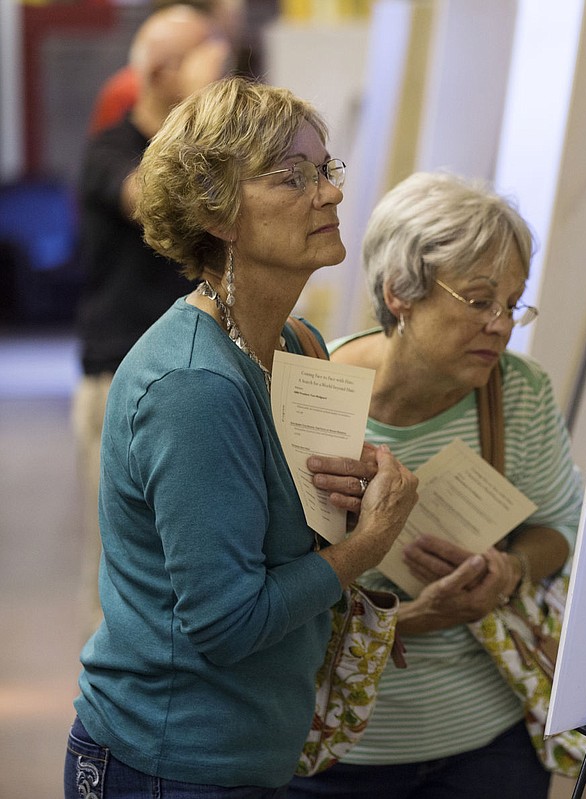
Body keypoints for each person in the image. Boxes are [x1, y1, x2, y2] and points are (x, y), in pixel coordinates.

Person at [65, 76, 422, 796]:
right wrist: (369, 542)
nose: (329, 194)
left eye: (326, 169)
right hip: (166, 760)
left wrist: (346, 505)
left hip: (249, 752)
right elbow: (228, 622)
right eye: (293, 177)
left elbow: (285, 541)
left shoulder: (296, 343)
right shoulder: (195, 385)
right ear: (218, 213)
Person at [288, 172, 583, 799]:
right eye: (479, 301)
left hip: (489, 746)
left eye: (513, 303)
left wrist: (509, 570)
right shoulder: (313, 395)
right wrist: (403, 620)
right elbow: (260, 586)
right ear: (401, 293)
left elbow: (561, 527)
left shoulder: (519, 392)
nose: (502, 326)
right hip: (334, 754)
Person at [71, 2, 231, 631]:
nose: (218, 58)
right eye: (203, 49)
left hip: (199, 378)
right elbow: (152, 199)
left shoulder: (208, 161)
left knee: (194, 553)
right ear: (162, 70)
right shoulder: (109, 151)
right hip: (119, 380)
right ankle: (110, 704)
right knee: (121, 557)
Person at [88, 0, 256, 136]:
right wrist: (200, 100)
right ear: (158, 74)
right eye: (202, 64)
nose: (216, 75)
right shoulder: (112, 148)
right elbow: (167, 176)